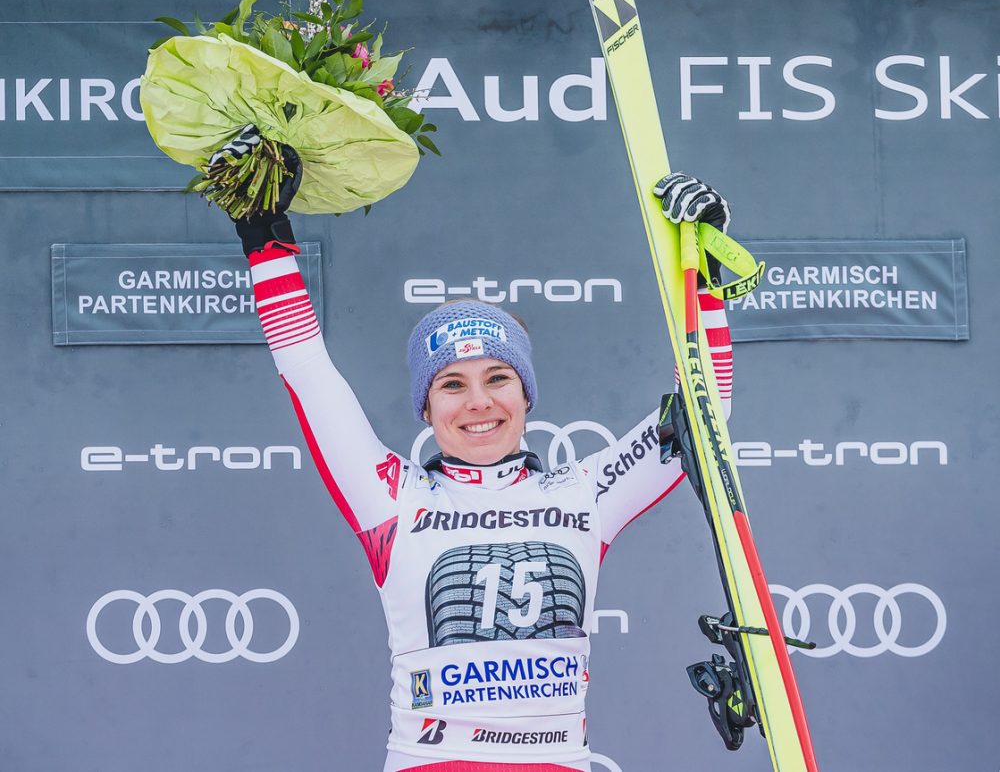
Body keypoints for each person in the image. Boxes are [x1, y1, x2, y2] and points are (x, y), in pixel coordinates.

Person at [215, 128, 735, 772]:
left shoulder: (586, 494)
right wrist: (263, 238)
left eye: (498, 378)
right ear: (426, 407)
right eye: (452, 385)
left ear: (526, 394)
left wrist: (702, 269)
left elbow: (704, 412)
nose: (478, 402)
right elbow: (308, 372)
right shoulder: (390, 498)